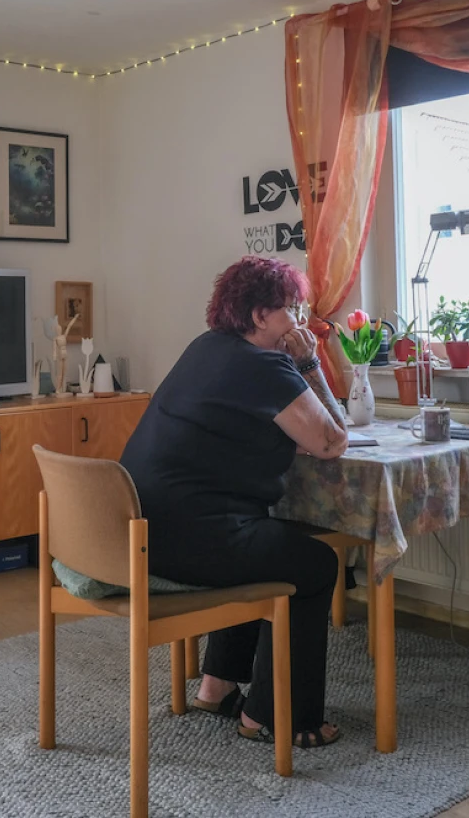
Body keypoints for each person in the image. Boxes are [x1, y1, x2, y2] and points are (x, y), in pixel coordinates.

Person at [119, 255, 349, 748]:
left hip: (145, 530)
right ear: (259, 315)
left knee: (258, 534)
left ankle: (217, 684)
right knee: (314, 563)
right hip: (190, 540)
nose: (301, 319)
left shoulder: (207, 347)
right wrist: (309, 364)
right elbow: (331, 442)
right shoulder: (266, 366)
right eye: (291, 308)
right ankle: (275, 716)